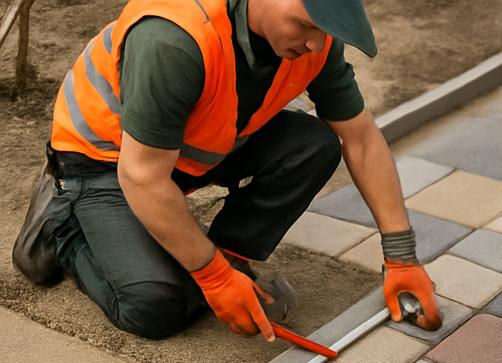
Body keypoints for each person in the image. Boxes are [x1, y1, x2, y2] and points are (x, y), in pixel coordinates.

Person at [12, 0, 441, 340]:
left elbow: (360, 138)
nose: (315, 43)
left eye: (323, 30)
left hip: (184, 152)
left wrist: (400, 257)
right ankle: (62, 222)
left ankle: (223, 259)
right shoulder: (173, 37)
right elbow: (142, 175)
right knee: (155, 308)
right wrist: (211, 277)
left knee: (314, 145)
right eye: (306, 25)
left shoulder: (317, 41)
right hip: (104, 162)